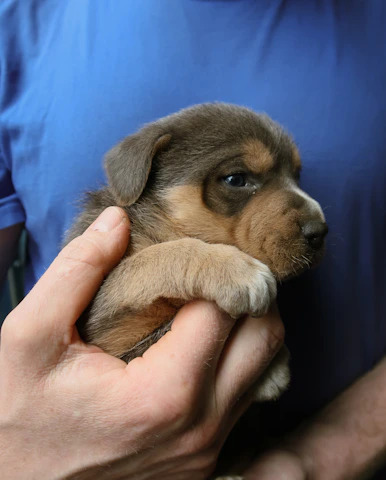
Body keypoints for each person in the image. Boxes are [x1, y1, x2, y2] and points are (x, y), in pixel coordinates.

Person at [0, 1, 385, 478]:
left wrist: (309, 462)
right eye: (236, 180)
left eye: (293, 177)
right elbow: (105, 299)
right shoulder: (20, 20)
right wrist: (14, 456)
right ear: (147, 170)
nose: (311, 217)